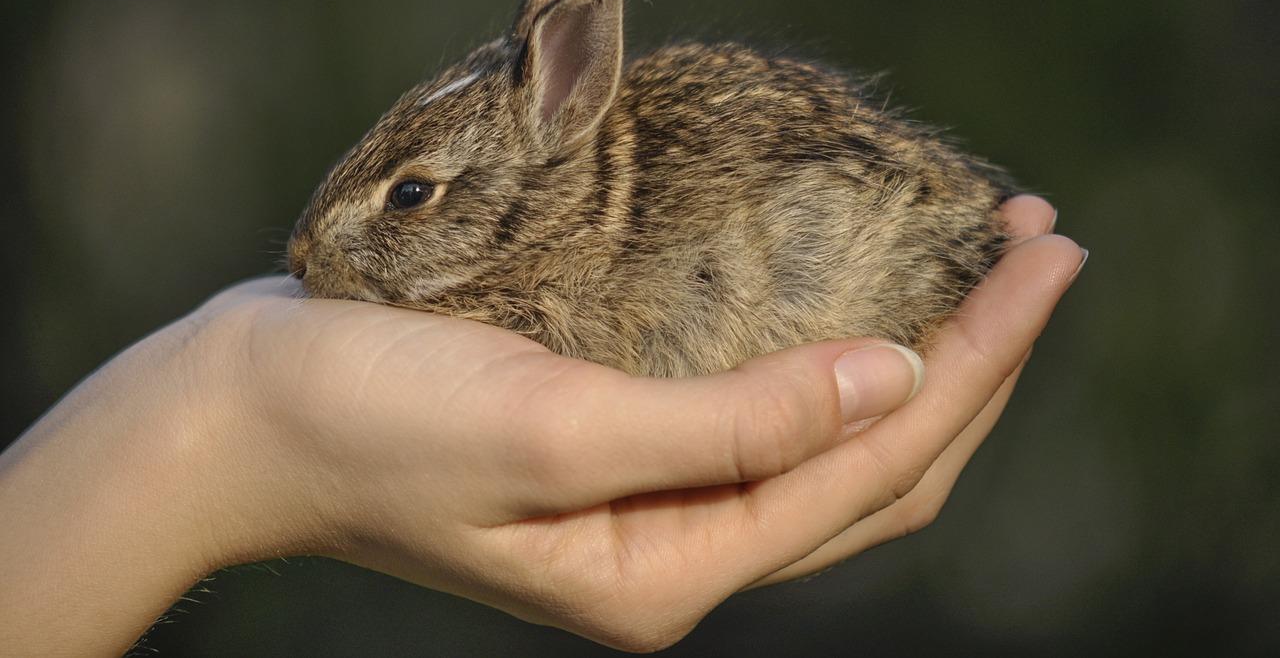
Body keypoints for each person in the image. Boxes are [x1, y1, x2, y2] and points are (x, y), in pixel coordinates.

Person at [0, 197, 1083, 656]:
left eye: (410, 198)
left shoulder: (576, 232)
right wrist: (232, 410)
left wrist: (221, 401)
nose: (308, 258)